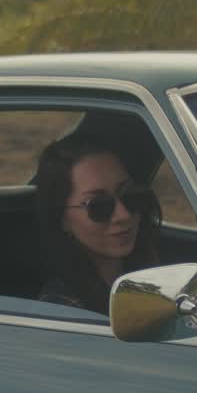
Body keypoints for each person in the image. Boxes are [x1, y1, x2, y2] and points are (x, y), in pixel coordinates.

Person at [34, 133, 160, 315]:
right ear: (63, 219)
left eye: (129, 195)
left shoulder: (152, 277)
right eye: (99, 206)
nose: (123, 215)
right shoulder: (62, 310)